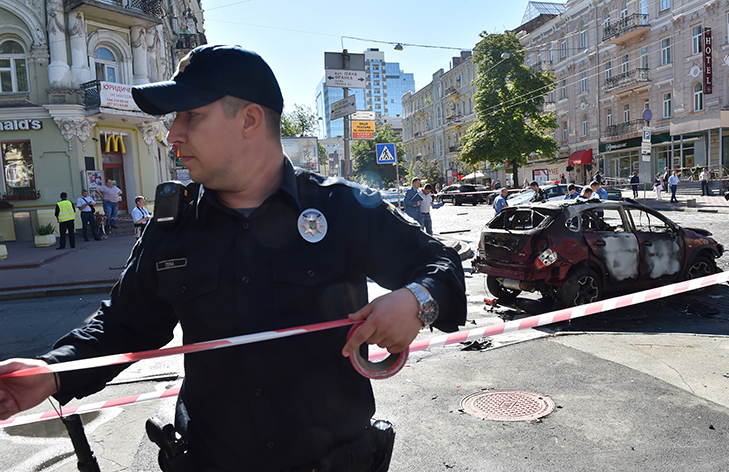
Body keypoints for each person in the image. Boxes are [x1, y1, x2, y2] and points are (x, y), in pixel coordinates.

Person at [0, 45, 466, 472]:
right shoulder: (173, 227)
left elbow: (442, 267)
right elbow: (124, 326)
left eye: (190, 116)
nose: (172, 135)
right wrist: (53, 373)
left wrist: (416, 301)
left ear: (248, 120)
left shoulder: (340, 207)